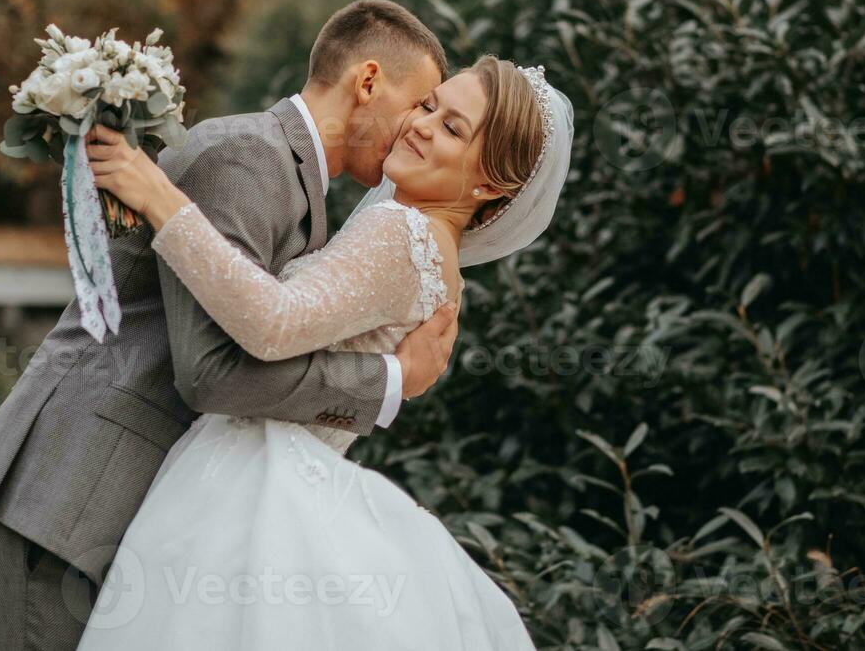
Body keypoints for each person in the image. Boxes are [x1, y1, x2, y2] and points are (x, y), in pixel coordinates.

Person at [0, 0, 462, 650]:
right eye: (417, 105)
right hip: (65, 490)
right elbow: (213, 373)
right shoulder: (251, 159)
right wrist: (390, 380)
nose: (417, 127)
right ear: (367, 82)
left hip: (96, 497)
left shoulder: (288, 177)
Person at [79, 54, 573, 648]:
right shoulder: (433, 251)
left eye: (453, 128)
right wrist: (393, 375)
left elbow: (271, 323)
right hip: (279, 472)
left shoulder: (403, 234)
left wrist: (159, 197)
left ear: (491, 183)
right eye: (430, 104)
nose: (421, 124)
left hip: (248, 485)